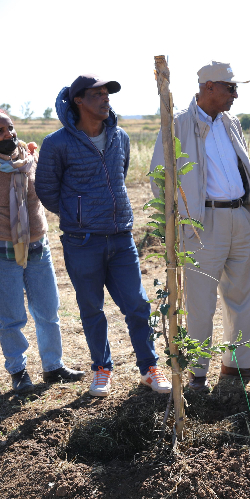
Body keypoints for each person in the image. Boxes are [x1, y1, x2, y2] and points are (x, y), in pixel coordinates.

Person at [36, 74, 170, 397]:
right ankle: (102, 369)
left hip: (122, 238)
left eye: (107, 93)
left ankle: (149, 368)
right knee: (91, 308)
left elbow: (120, 176)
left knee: (138, 304)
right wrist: (78, 216)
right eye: (97, 94)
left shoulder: (120, 137)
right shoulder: (57, 144)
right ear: (78, 100)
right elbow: (46, 190)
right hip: (82, 242)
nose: (105, 98)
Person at [150, 61, 250, 391]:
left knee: (242, 295)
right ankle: (197, 375)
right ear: (209, 87)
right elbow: (161, 178)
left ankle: (235, 368)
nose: (236, 94)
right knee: (201, 302)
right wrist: (179, 222)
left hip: (239, 217)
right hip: (203, 223)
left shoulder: (231, 123)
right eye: (231, 88)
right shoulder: (178, 124)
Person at [0, 110, 84, 394]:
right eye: (0, 132)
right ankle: (18, 371)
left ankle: (53, 367)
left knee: (48, 310)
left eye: (9, 128)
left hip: (38, 244)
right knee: (11, 316)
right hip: (4, 249)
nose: (7, 135)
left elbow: (50, 191)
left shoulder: (30, 158)